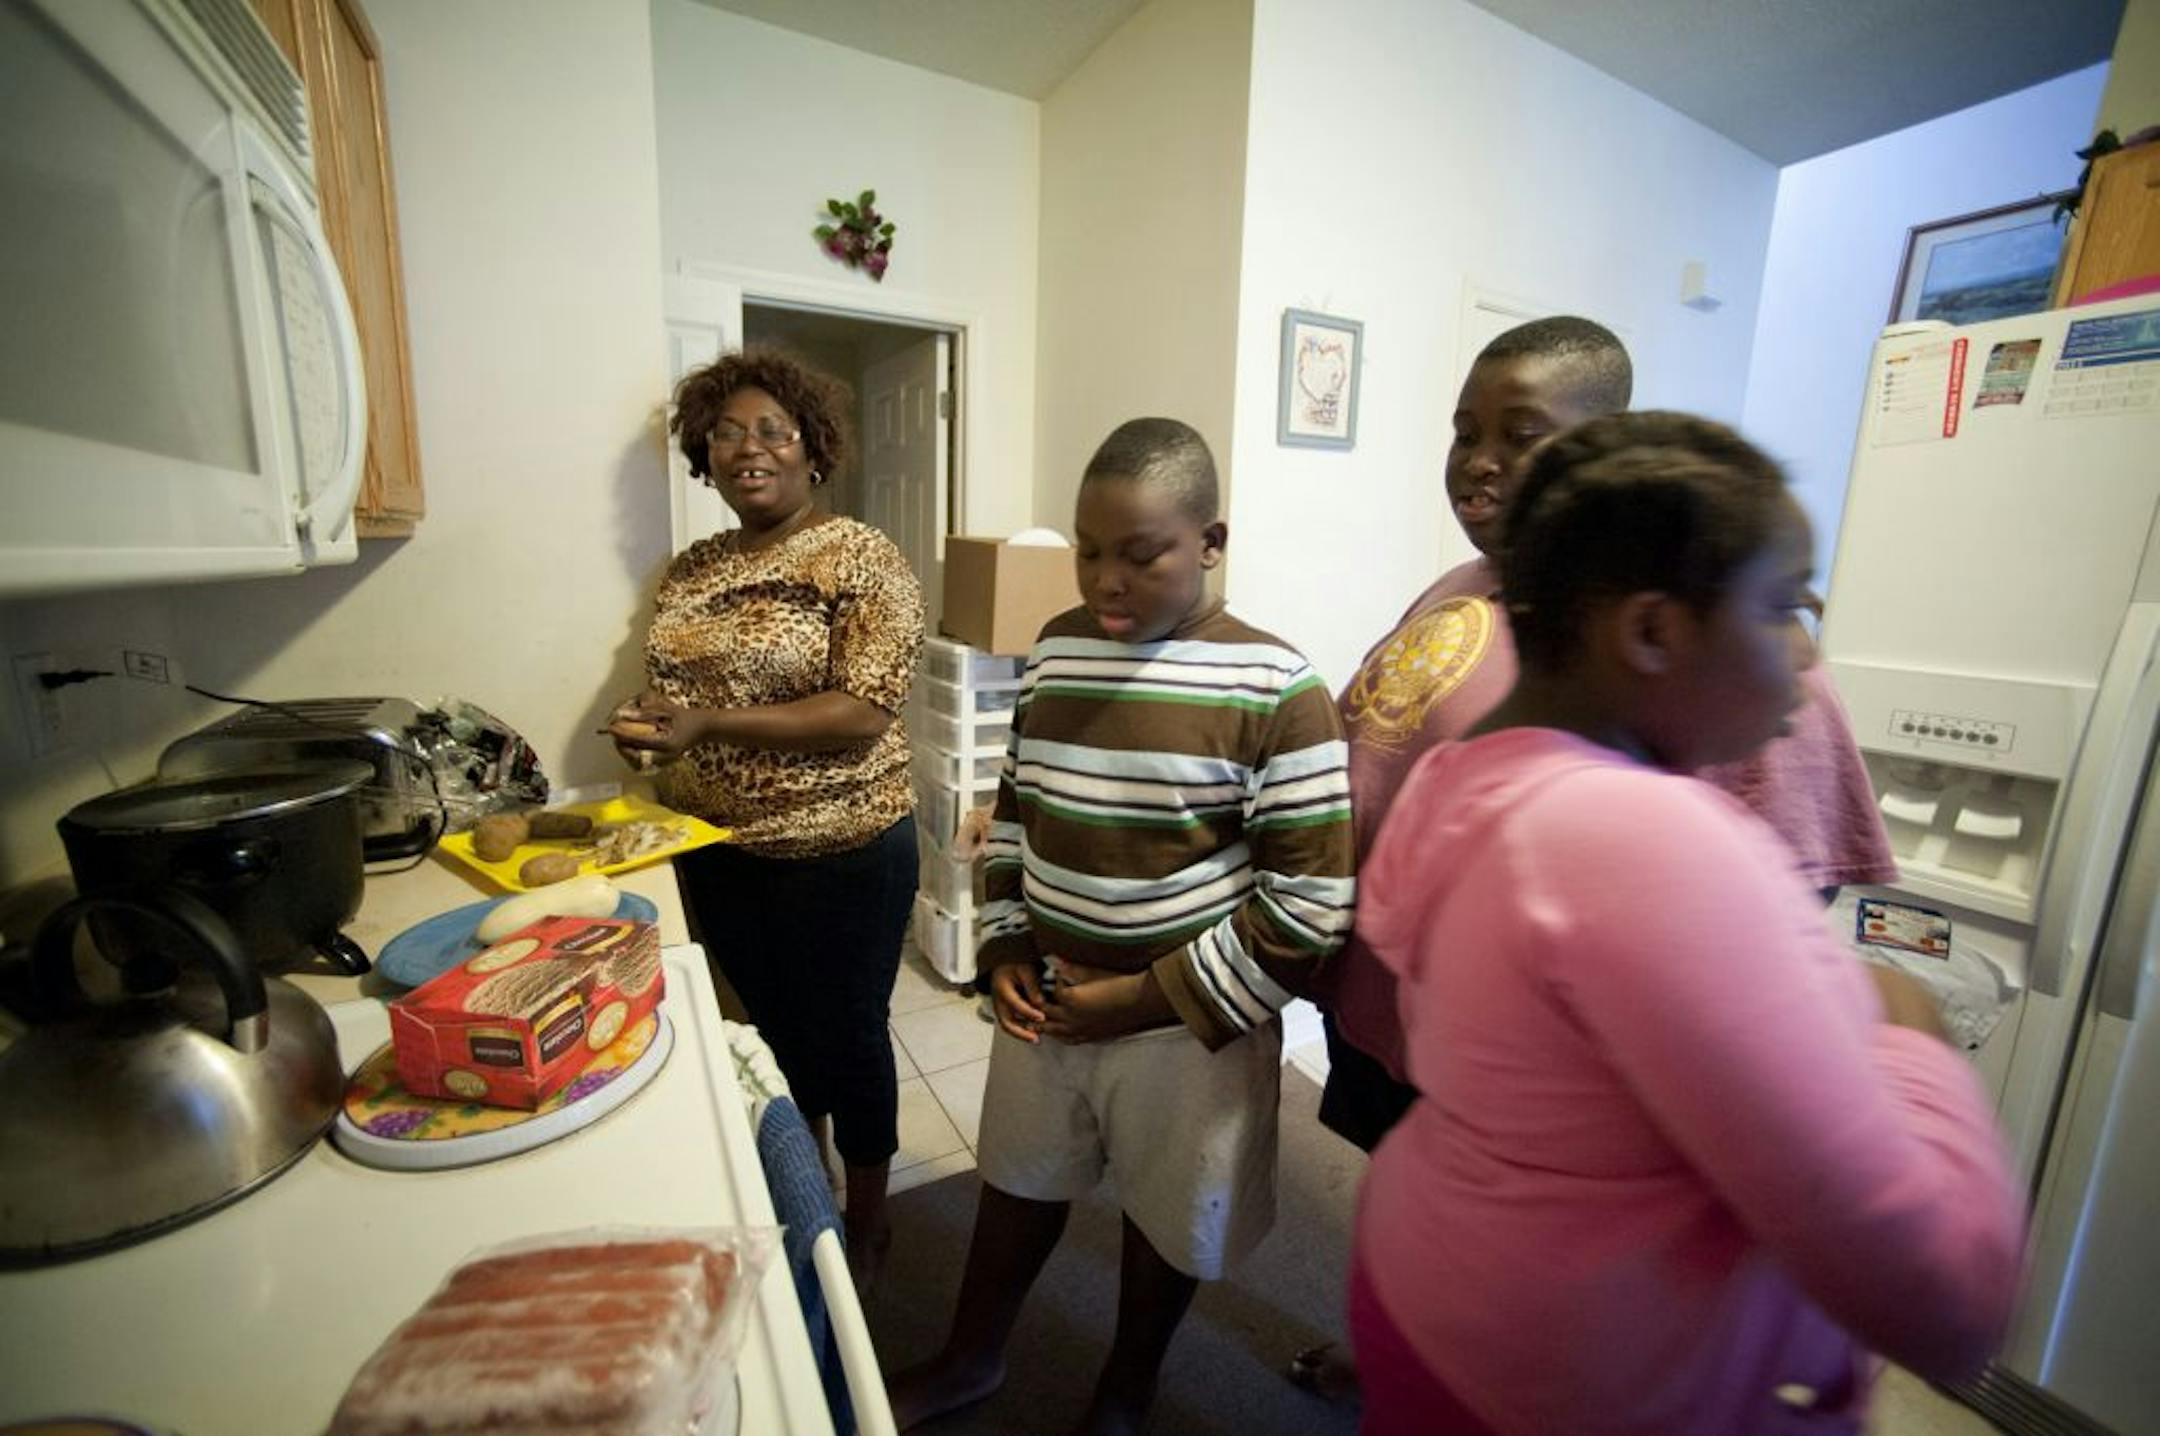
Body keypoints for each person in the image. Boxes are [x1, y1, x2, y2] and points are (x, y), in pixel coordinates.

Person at [1349, 411, 2024, 1434]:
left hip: (1440, 1296)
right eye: (1783, 606)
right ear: (1654, 630)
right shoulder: (1641, 838)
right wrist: (1908, 1030)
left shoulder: (1464, 777)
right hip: (1576, 1380)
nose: (1807, 653)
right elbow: (1944, 1293)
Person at [1317, 316, 1896, 1154]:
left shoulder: (1715, 641)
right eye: (1465, 433)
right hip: (1390, 1017)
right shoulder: (1461, 584)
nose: (1479, 460)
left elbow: (1790, 895)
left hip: (1528, 1080)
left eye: (1521, 436)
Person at [887, 418, 1356, 1435]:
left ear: (1212, 542)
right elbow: (1014, 809)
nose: (1106, 580)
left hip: (1187, 1024)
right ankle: (972, 1354)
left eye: (1141, 555)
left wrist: (1141, 999)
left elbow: (1310, 904)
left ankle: (1127, 1385)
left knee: (1170, 1212)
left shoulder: (1278, 687)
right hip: (1050, 991)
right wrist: (1006, 941)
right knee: (1016, 1177)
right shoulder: (1056, 648)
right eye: (1089, 550)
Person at [608, 345, 924, 1289]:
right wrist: (648, 732)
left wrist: (709, 722)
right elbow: (669, 692)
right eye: (726, 434)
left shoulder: (858, 555)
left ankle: (869, 1218)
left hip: (844, 847)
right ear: (705, 460)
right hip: (717, 852)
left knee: (850, 1037)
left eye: (772, 431)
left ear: (812, 451)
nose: (749, 447)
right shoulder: (691, 569)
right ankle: (808, 1184)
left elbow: (866, 707)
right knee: (774, 1036)